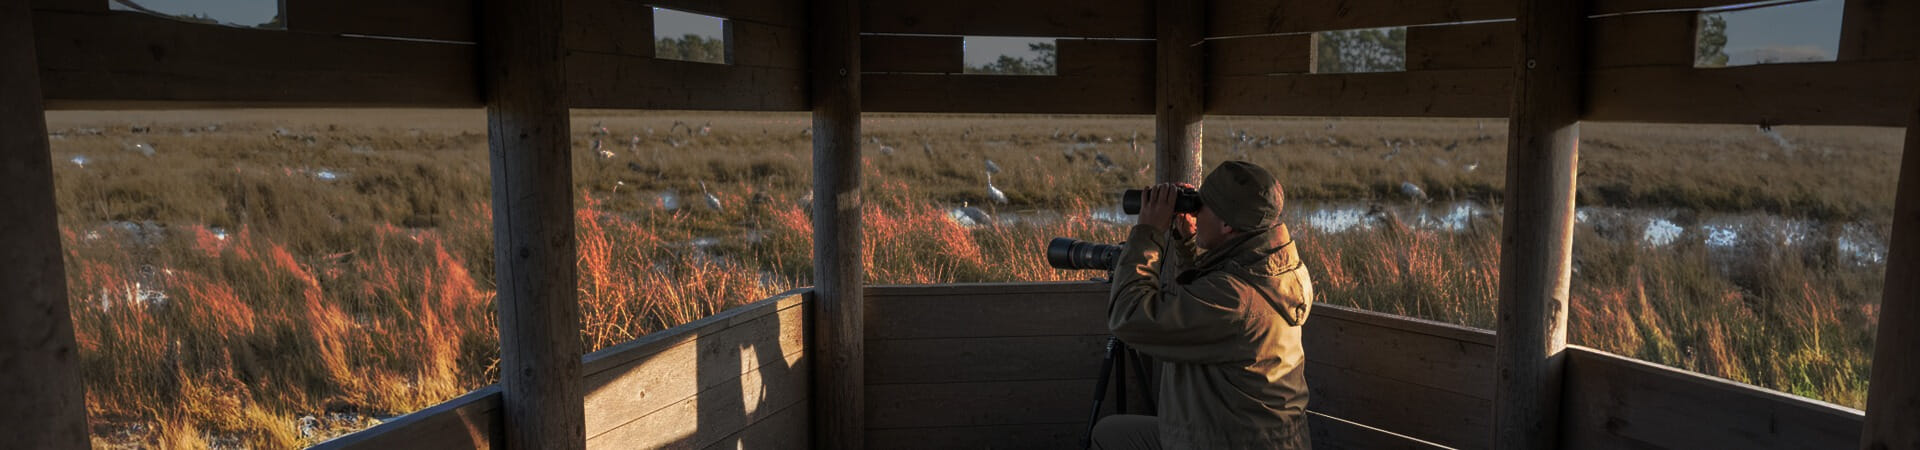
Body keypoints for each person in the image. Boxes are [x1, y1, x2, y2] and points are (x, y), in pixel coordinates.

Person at [1091, 160, 1314, 449]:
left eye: (1202, 205)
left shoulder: (1235, 297)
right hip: (1242, 432)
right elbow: (1204, 306)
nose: (1194, 211)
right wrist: (1187, 241)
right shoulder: (1278, 269)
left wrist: (1148, 232)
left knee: (1108, 437)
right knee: (1112, 433)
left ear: (1227, 224)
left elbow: (1128, 316)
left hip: (1230, 440)